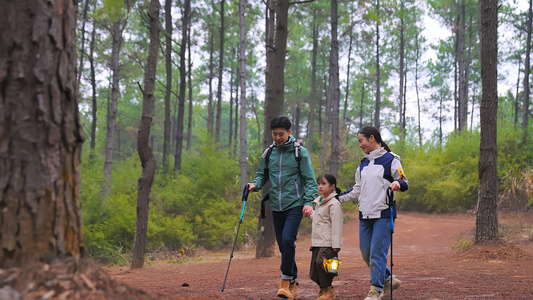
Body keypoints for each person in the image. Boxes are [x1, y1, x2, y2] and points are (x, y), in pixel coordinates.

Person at [248, 116, 318, 299]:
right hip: (276, 205)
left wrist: (308, 201)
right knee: (283, 246)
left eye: (281, 134)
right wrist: (254, 185)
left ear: (289, 132)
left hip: (295, 203)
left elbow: (310, 180)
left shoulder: (299, 152)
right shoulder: (269, 153)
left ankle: (285, 281)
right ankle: (293, 283)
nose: (277, 138)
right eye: (274, 134)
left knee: (287, 240)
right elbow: (261, 175)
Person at [338, 126, 408, 300]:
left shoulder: (391, 160)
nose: (359, 145)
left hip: (384, 214)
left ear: (371, 138)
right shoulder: (363, 165)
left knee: (377, 253)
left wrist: (398, 184)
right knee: (366, 254)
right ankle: (388, 279)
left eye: (361, 141)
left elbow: (404, 181)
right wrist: (336, 198)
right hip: (365, 215)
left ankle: (376, 289)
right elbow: (356, 191)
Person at [308, 173, 343, 300]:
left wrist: (336, 245)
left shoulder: (334, 203)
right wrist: (311, 213)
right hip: (317, 241)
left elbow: (336, 224)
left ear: (332, 186)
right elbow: (319, 219)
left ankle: (328, 290)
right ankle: (323, 290)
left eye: (323, 184)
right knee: (314, 270)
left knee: (322, 264)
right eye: (319, 184)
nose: (320, 186)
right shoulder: (320, 201)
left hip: (328, 242)